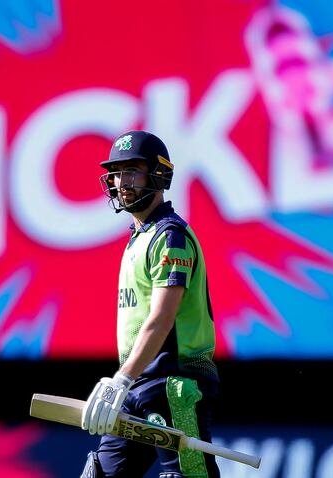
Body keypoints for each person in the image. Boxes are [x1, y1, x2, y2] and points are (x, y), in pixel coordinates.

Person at [80, 130, 220, 477]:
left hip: (174, 385)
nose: (122, 181)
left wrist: (120, 379)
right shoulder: (138, 239)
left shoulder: (169, 236)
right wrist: (126, 382)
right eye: (117, 172)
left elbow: (162, 317)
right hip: (137, 386)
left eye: (133, 170)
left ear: (159, 175)